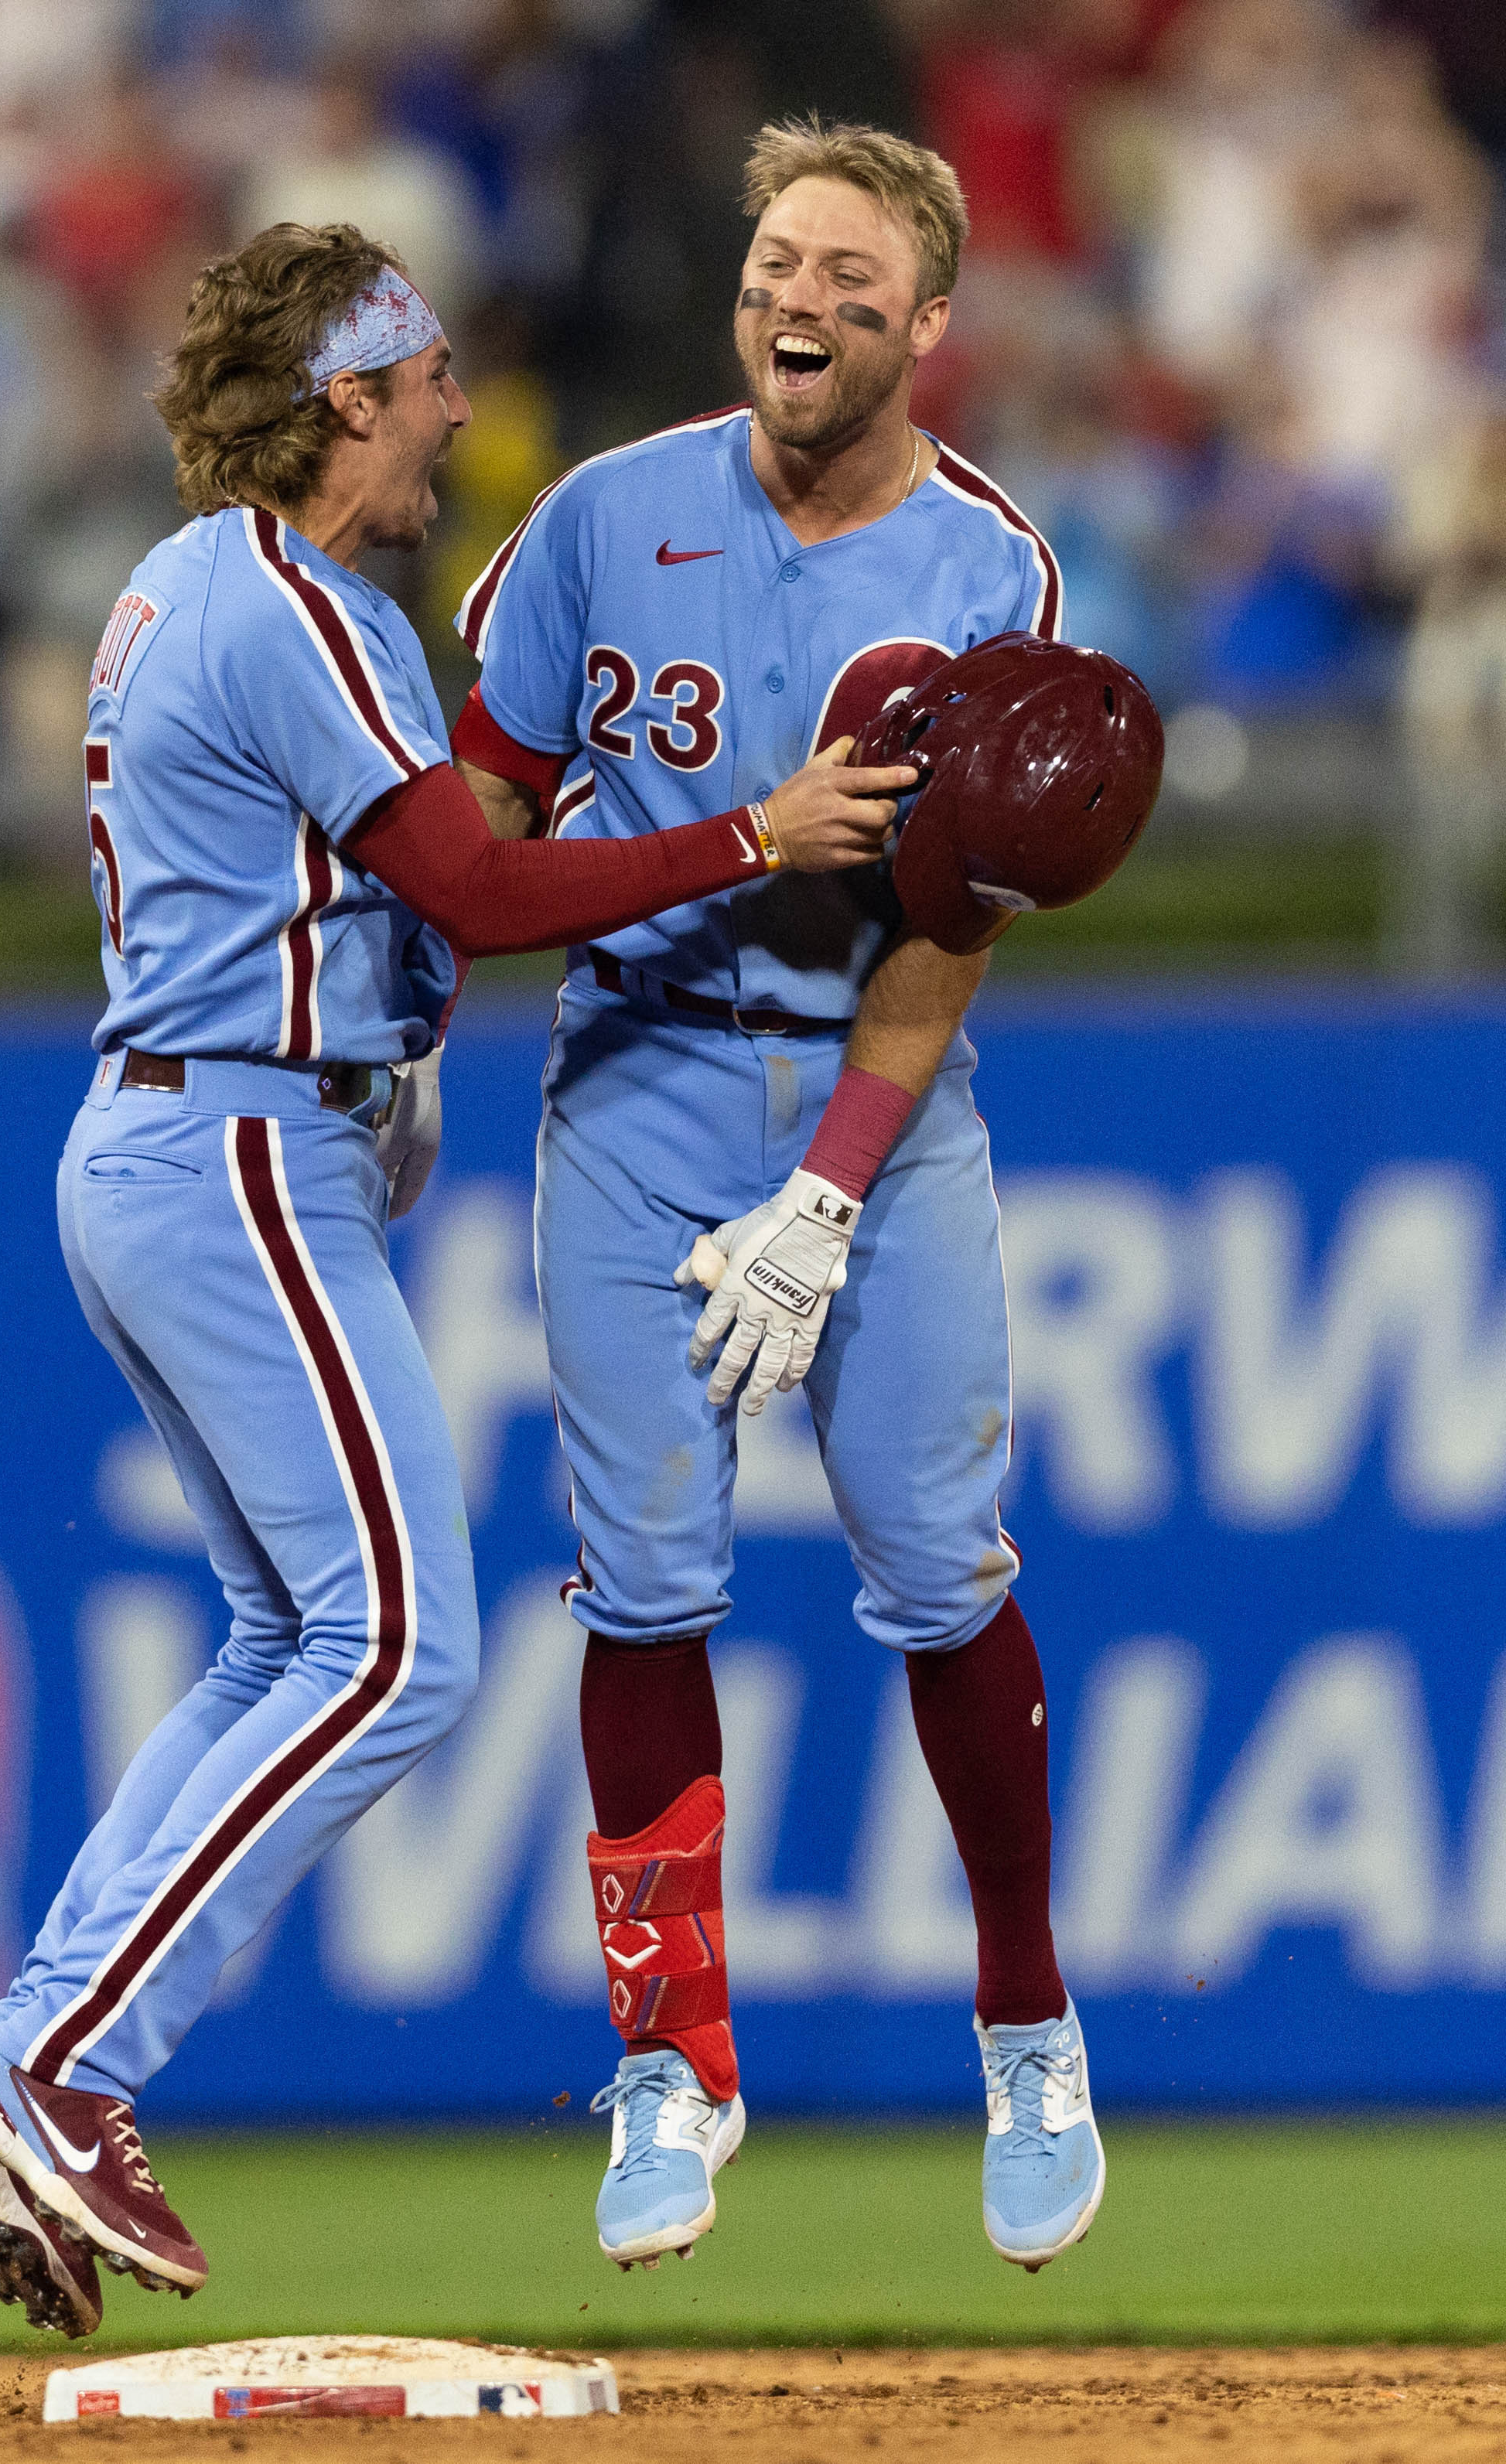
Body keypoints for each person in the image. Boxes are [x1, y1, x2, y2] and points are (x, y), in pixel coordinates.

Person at [0, 222, 893, 2341]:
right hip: (234, 1142)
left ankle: (54, 2043)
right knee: (401, 1649)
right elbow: (473, 875)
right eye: (419, 372)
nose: (450, 403)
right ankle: (56, 2055)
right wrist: (748, 835)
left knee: (288, 1632)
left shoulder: (201, 586)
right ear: (334, 397)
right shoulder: (289, 598)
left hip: (214, 1124)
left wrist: (390, 1025)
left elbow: (363, 890)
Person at [449, 118, 1104, 2275]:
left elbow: (950, 924)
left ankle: (1023, 2020)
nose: (793, 297)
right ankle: (668, 2060)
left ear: (923, 322)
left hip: (871, 1098)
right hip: (633, 1069)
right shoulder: (593, 518)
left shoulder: (985, 566)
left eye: (844, 272)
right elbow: (484, 829)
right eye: (771, 260)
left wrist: (825, 1192)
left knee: (934, 1558)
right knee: (636, 1578)